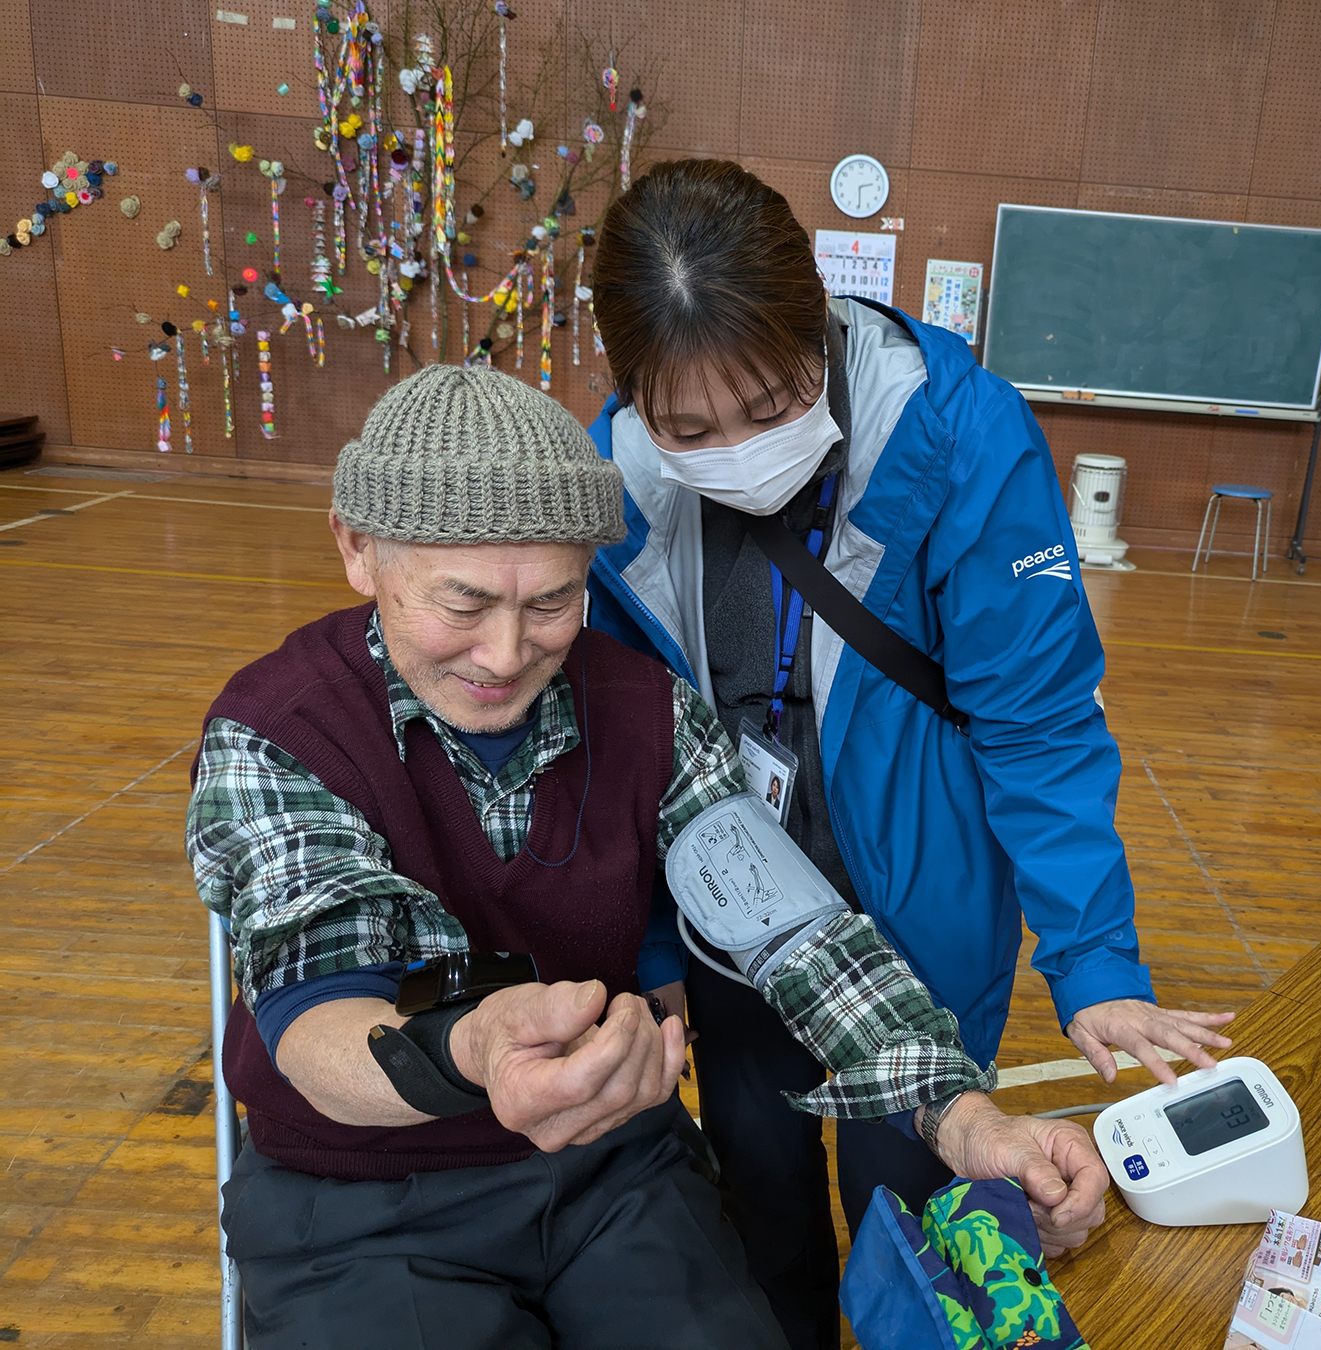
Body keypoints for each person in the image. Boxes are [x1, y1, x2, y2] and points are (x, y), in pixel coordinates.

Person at [186, 363, 1108, 1349]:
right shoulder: (281, 730)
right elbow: (316, 1020)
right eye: (461, 606)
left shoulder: (648, 711)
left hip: (610, 1175)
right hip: (358, 1200)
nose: (505, 655)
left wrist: (965, 1119)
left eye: (552, 603)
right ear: (358, 549)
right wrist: (477, 1051)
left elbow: (797, 935)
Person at [584, 158, 1236, 1349]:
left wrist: (1094, 961)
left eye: (773, 403)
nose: (740, 449)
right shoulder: (615, 483)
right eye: (690, 429)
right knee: (760, 1191)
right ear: (633, 401)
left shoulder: (958, 434)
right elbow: (623, 745)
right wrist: (648, 945)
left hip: (925, 918)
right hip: (732, 919)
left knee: (917, 1201)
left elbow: (1039, 720)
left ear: (820, 327)